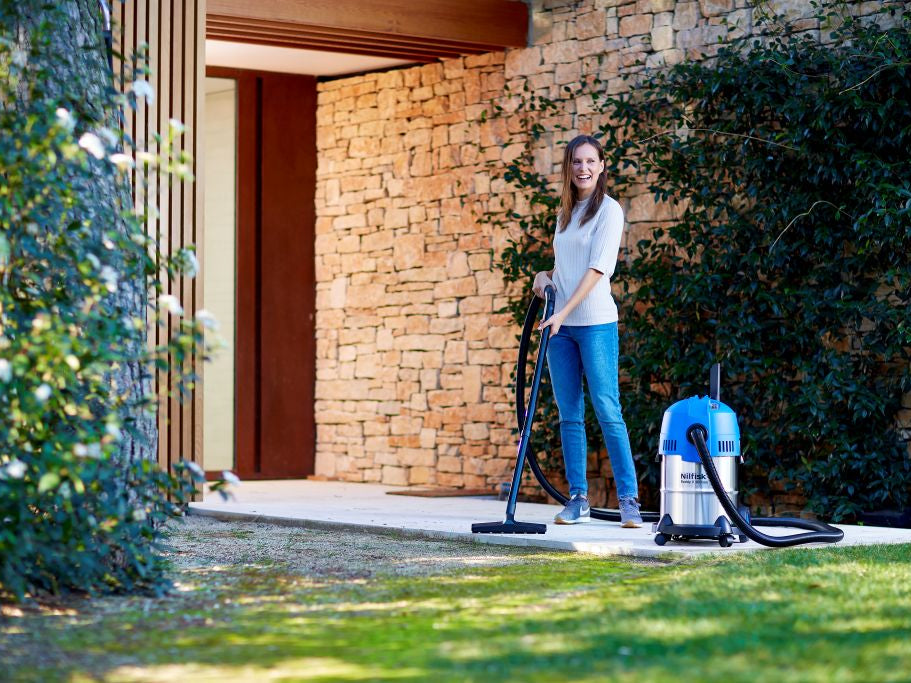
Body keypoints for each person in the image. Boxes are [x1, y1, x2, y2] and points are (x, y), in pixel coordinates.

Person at [532, 134, 642, 527]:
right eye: (576, 162)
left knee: (608, 409)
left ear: (601, 166)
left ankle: (629, 499)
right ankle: (578, 498)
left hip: (593, 324)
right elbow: (565, 266)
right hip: (559, 326)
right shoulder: (564, 212)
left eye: (590, 161)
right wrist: (543, 276)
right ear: (569, 167)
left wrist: (564, 312)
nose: (583, 168)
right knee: (569, 414)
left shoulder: (609, 211)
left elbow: (598, 269)